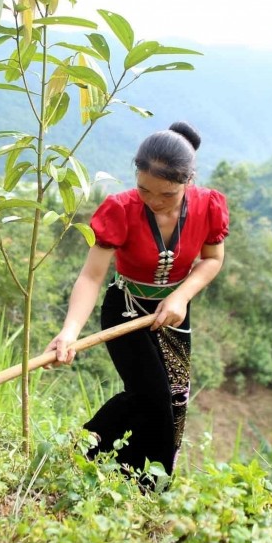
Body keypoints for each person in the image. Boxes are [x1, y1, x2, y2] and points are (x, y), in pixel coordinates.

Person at [45, 121, 228, 480]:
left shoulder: (209, 206)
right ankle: (88, 454)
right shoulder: (120, 209)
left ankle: (139, 479)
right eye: (145, 189)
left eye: (167, 195)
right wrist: (69, 333)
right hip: (126, 308)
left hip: (174, 313)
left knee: (175, 400)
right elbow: (91, 276)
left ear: (188, 182)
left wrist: (181, 296)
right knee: (152, 395)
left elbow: (212, 259)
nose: (154, 202)